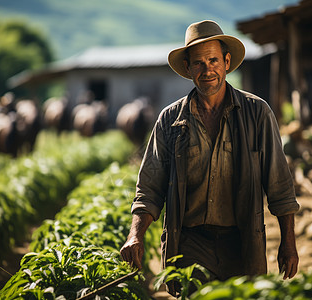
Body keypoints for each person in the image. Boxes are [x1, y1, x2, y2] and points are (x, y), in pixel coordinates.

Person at [120, 20, 300, 296]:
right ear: (188, 69)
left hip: (241, 242)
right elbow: (149, 188)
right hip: (190, 243)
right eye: (199, 63)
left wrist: (288, 242)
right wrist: (136, 235)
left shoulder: (257, 114)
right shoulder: (170, 120)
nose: (207, 70)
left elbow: (280, 187)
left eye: (213, 60)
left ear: (227, 62)